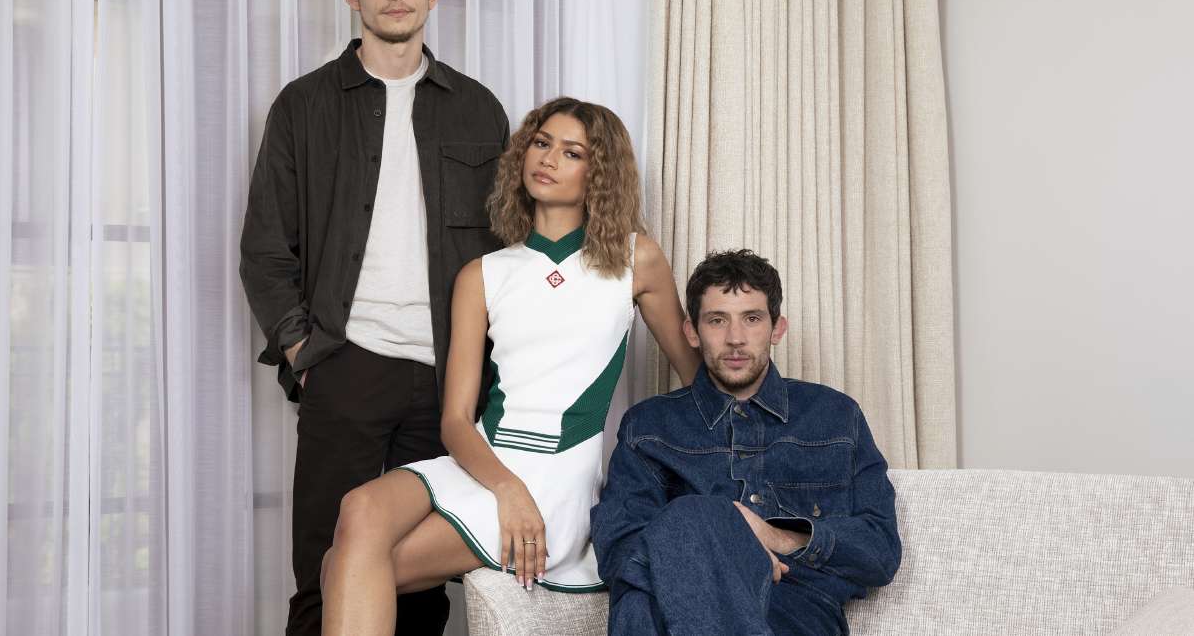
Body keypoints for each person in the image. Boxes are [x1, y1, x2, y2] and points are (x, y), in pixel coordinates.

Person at [317, 96, 701, 634]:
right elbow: (454, 420)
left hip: (555, 481)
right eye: (541, 143)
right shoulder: (483, 274)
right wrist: (506, 487)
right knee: (359, 508)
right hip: (487, 463)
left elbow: (696, 378)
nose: (548, 159)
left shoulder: (637, 260)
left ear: (599, 174)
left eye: (572, 152)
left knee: (343, 566)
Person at [238, 0, 509, 632]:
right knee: (328, 573)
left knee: (420, 583)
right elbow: (265, 248)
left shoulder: (479, 111)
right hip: (347, 367)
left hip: (451, 381)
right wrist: (304, 351)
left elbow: (507, 254)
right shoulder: (303, 106)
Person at [591, 249, 902, 635]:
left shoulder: (835, 417)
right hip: (673, 606)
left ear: (777, 328)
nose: (735, 339)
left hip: (797, 610)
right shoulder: (650, 426)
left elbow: (880, 552)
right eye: (717, 320)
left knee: (652, 584)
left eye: (752, 319)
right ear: (691, 331)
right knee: (669, 553)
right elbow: (618, 550)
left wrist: (773, 537)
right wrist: (725, 536)